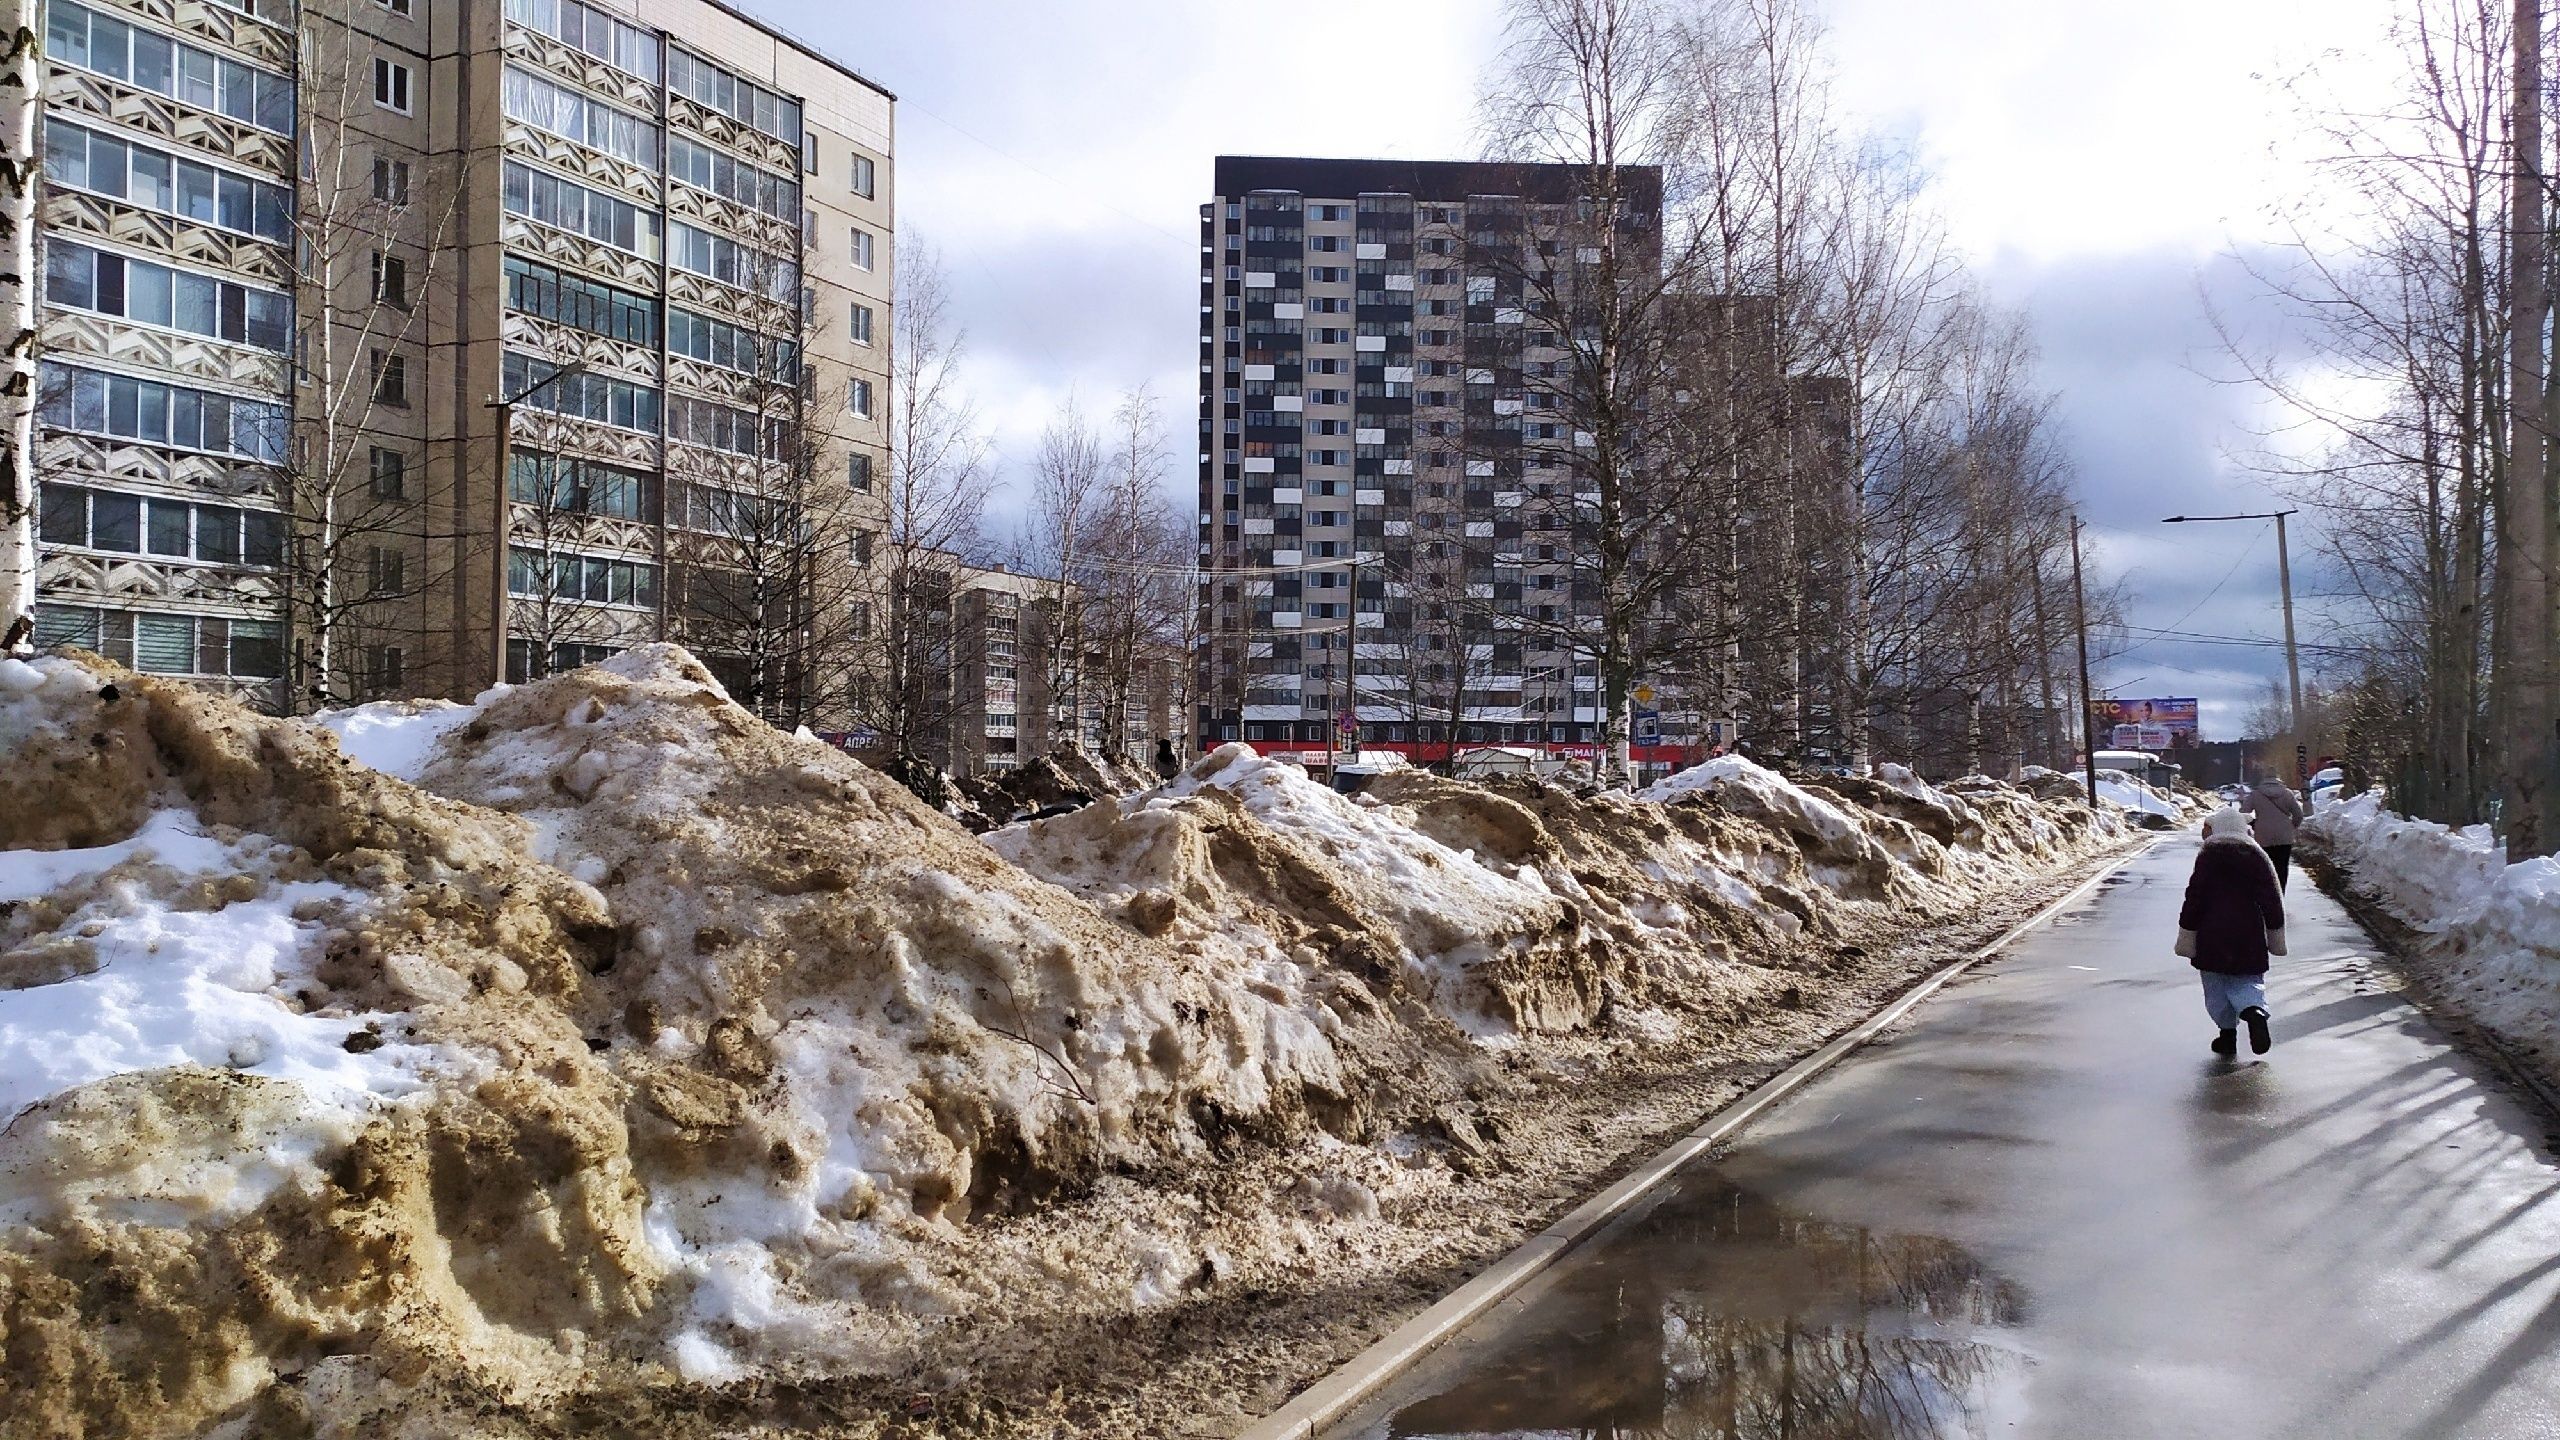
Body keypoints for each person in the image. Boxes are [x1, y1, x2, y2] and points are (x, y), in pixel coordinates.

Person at [2178, 808, 2287, 1057]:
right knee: (2248, 979)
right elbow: (2272, 898)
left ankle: (2227, 1036)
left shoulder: (2207, 857)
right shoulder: (2257, 856)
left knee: (2216, 986)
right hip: (2248, 931)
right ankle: (2254, 1011)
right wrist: (2275, 933)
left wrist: (2187, 931)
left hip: (2210, 932)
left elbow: (2194, 897)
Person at [2240, 772, 2306, 886]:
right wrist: (2291, 826)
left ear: (2264, 780)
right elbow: (2299, 815)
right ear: (2278, 780)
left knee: (2264, 867)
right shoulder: (2287, 793)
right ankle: (2280, 896)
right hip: (2284, 837)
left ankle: (2267, 896)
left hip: (2263, 836)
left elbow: (2243, 813)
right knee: (2282, 868)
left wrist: (2254, 823)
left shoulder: (2255, 794)